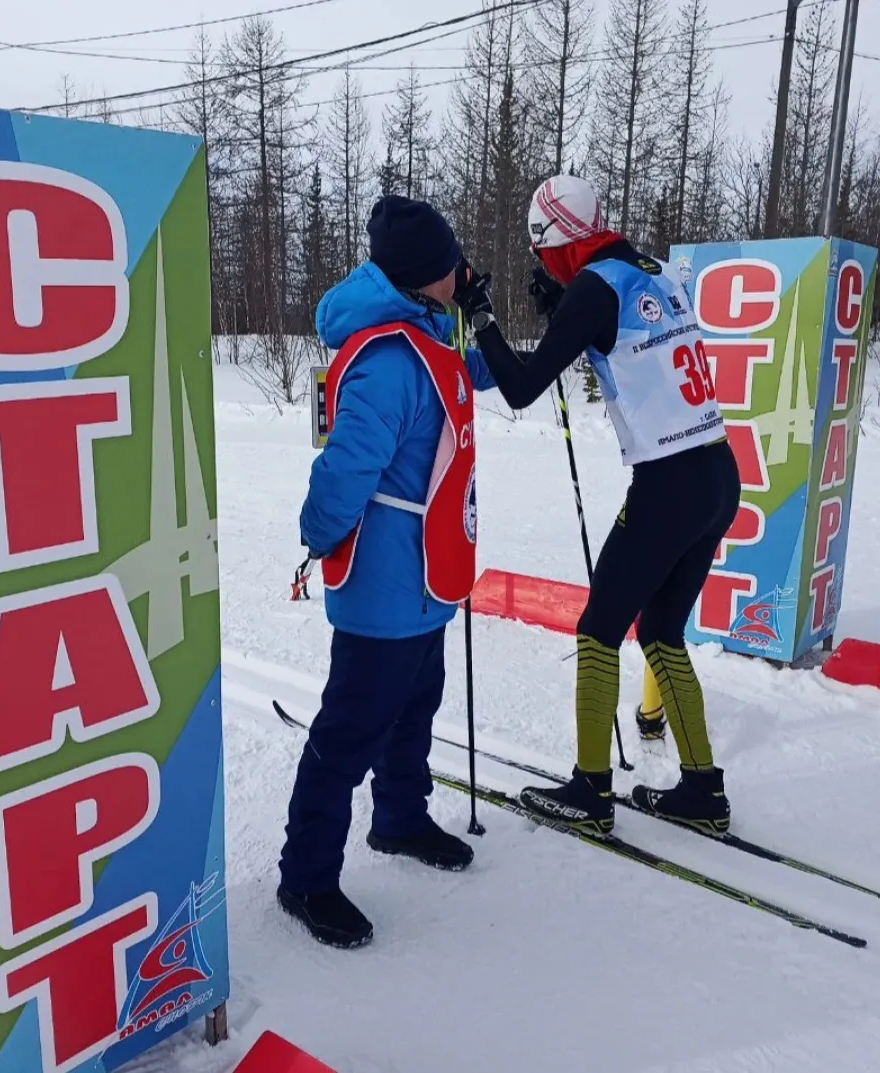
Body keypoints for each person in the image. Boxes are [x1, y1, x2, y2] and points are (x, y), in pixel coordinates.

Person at [455, 173, 741, 837]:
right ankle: (702, 788)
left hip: (667, 484)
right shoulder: (654, 270)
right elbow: (620, 337)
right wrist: (563, 311)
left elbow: (523, 386)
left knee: (597, 630)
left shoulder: (592, 287)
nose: (541, 266)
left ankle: (589, 792)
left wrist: (482, 315)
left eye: (542, 255)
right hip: (716, 473)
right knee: (661, 629)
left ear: (556, 244)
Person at [278, 195, 498, 949]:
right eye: (450, 265)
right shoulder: (383, 359)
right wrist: (318, 533)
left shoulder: (426, 339)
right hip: (382, 582)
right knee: (350, 729)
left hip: (428, 576)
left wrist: (488, 320)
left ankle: (399, 819)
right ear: (421, 277)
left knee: (415, 705)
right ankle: (304, 874)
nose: (458, 272)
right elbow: (344, 466)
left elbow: (474, 380)